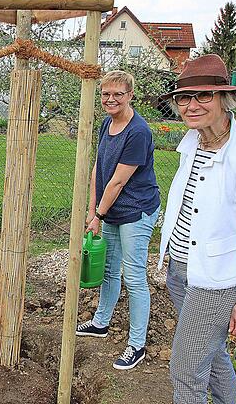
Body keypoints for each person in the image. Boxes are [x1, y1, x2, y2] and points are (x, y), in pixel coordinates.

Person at [158, 54, 236, 403]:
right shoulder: (192, 144)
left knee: (186, 370)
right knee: (214, 357)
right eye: (183, 97)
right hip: (181, 272)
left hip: (214, 282)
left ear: (225, 99)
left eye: (203, 96)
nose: (191, 106)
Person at [75, 70, 160, 370]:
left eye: (118, 95)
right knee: (109, 270)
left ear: (130, 96)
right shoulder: (106, 124)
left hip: (136, 210)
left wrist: (98, 215)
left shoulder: (138, 132)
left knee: (134, 276)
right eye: (106, 94)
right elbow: (100, 167)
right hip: (110, 207)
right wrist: (92, 209)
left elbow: (118, 182)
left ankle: (136, 346)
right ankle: (101, 322)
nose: (111, 100)